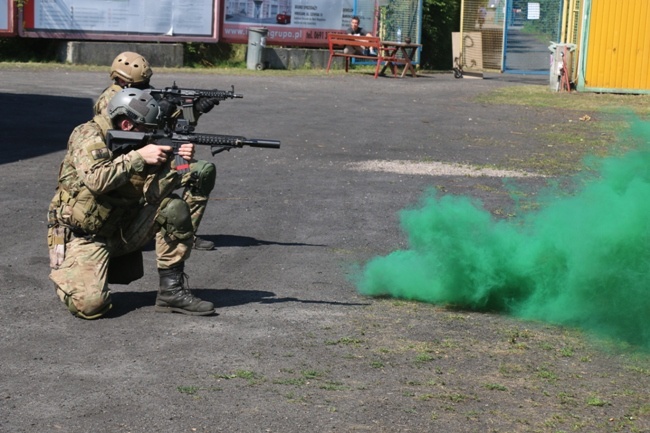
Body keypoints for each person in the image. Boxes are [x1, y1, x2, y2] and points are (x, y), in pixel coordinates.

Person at [47, 88, 215, 319]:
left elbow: (154, 194)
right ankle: (70, 275)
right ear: (127, 126)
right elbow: (97, 180)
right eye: (147, 130)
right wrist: (138, 157)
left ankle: (171, 292)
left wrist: (180, 163)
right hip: (82, 234)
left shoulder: (138, 145)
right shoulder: (88, 134)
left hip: (121, 227)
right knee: (90, 306)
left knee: (173, 207)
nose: (151, 135)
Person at [94, 51, 217, 251]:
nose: (146, 88)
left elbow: (178, 128)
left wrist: (194, 110)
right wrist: (161, 110)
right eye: (140, 85)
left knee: (200, 172)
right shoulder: (110, 101)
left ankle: (186, 233)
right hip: (132, 169)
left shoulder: (145, 95)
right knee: (178, 189)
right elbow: (118, 139)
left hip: (158, 159)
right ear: (124, 82)